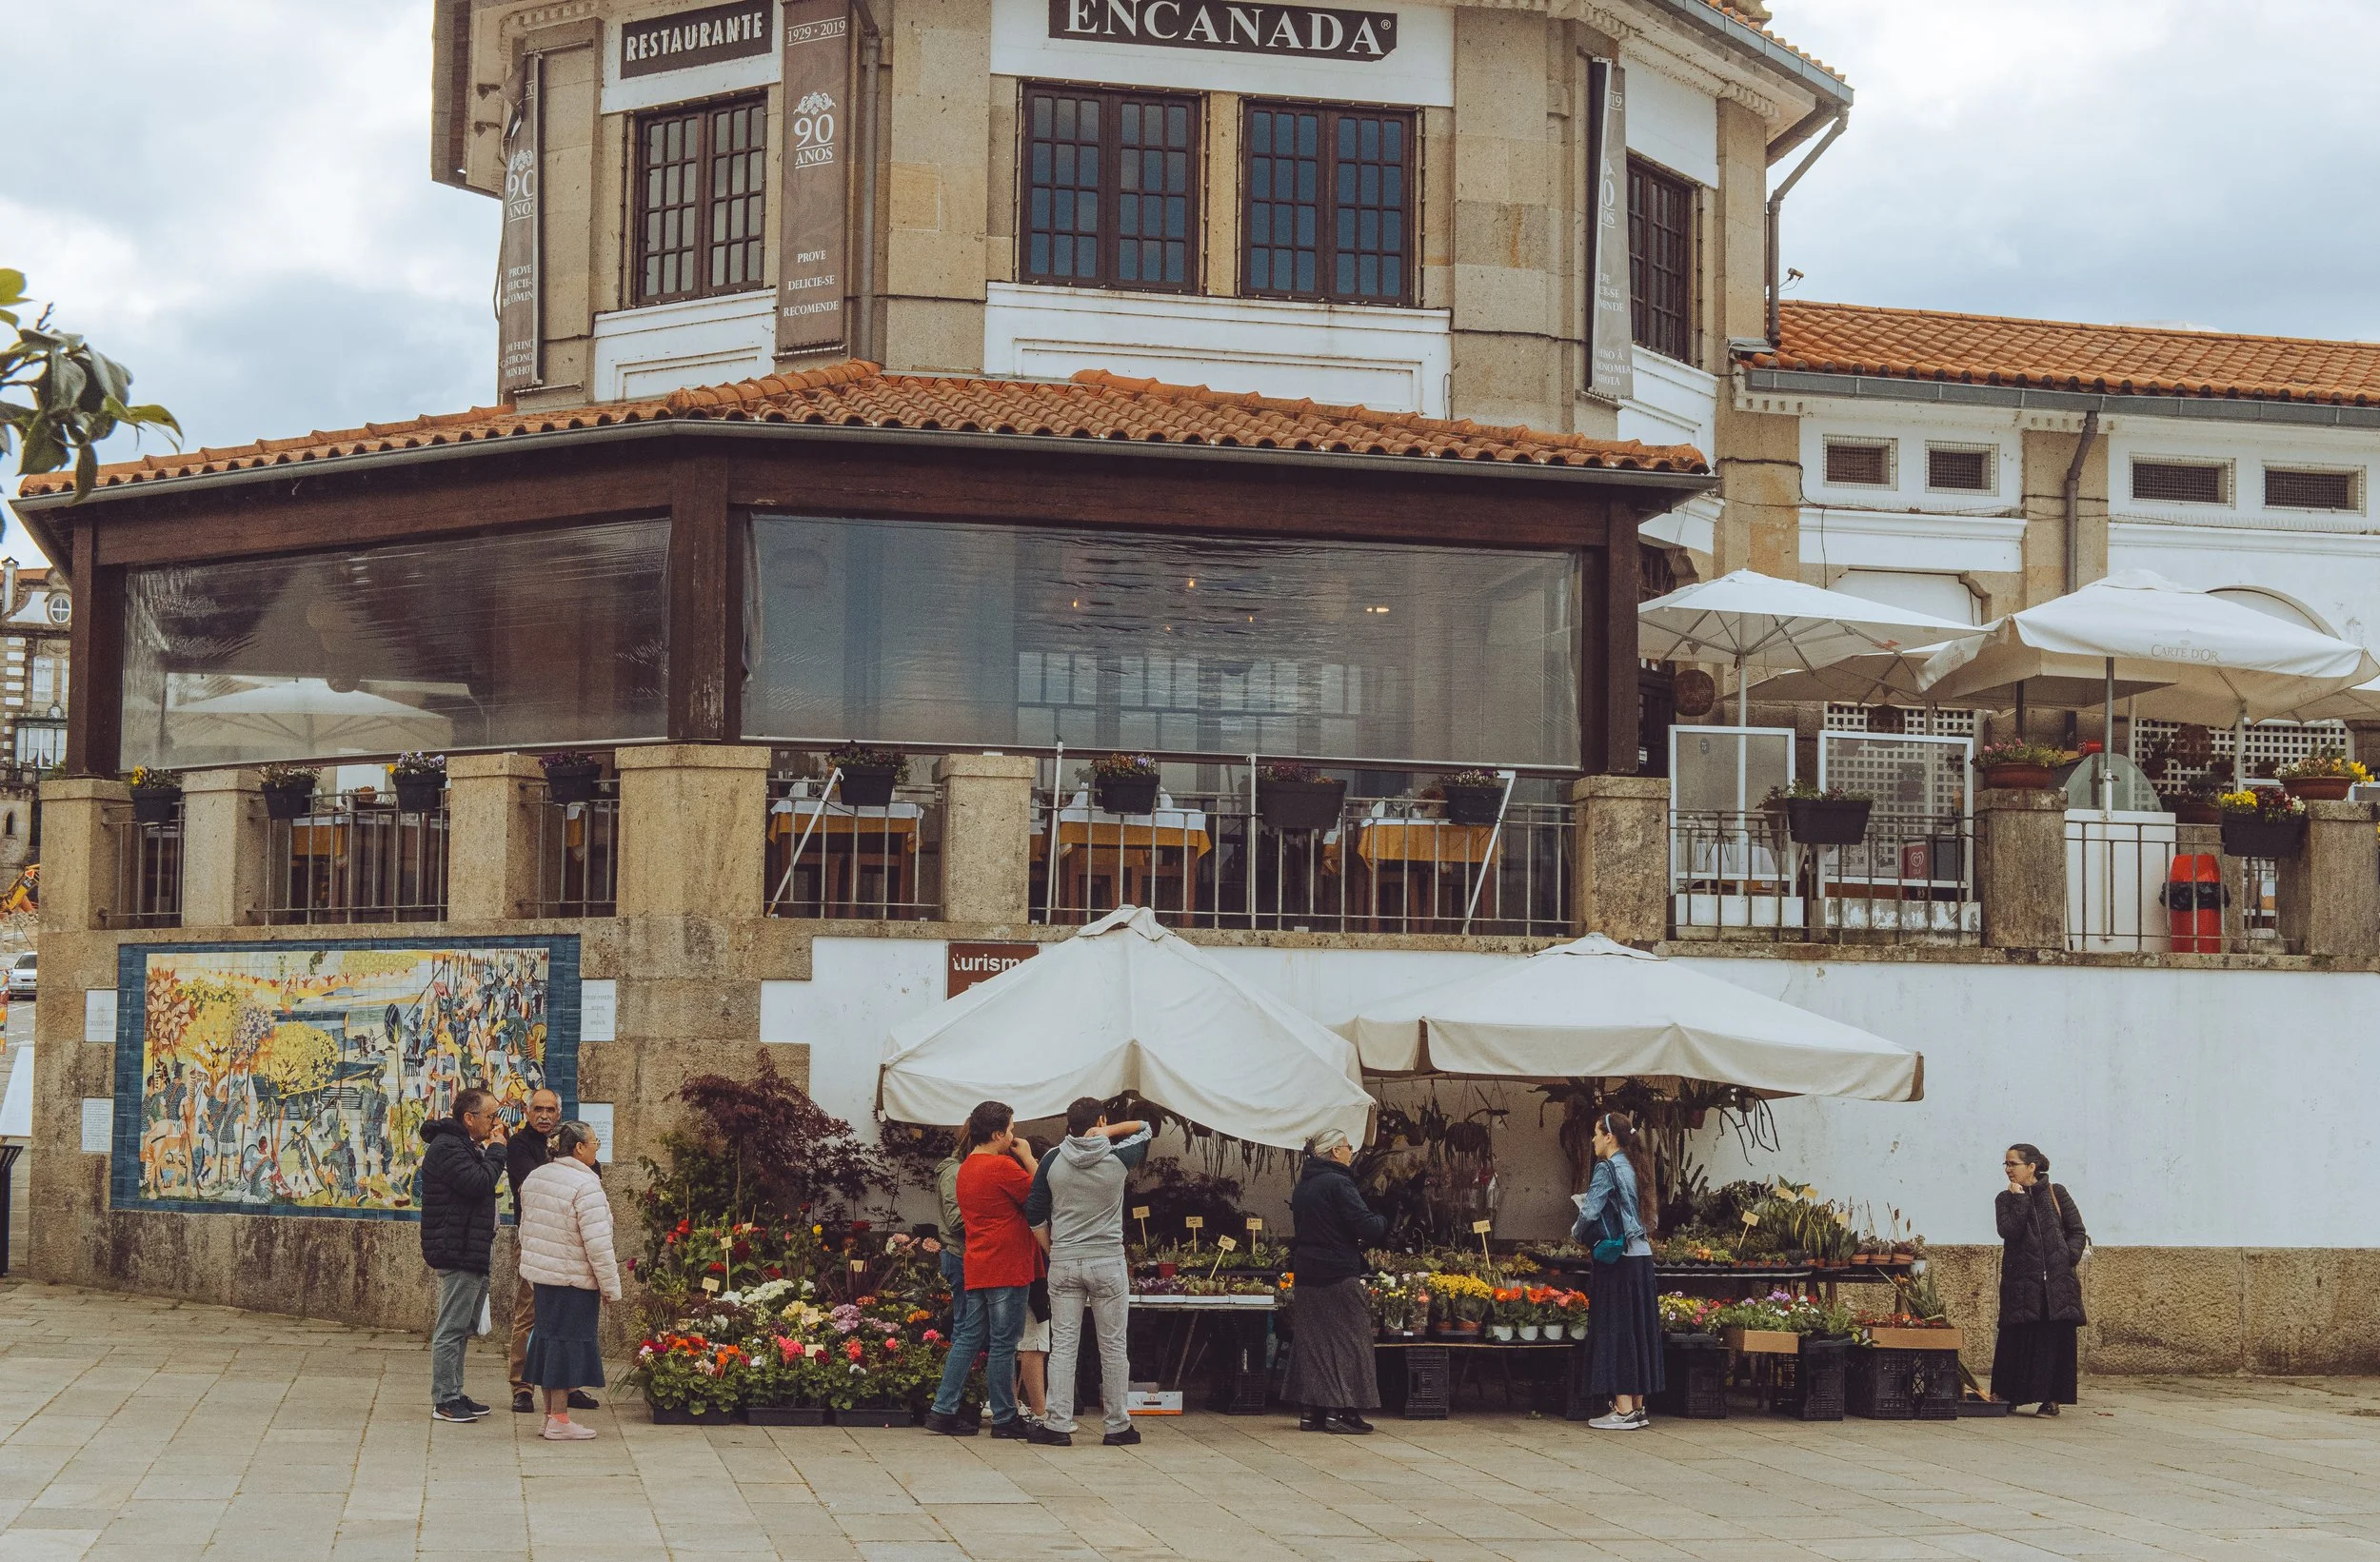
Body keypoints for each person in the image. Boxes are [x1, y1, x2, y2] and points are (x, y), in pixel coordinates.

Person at [1025, 1097, 1152, 1448]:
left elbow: (1034, 1211)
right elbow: (1146, 1128)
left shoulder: (1051, 1160)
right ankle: (1117, 1426)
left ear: (1067, 1124)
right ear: (1099, 1119)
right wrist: (1108, 1130)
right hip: (1108, 1261)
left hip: (1065, 1260)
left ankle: (1057, 1425)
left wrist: (1054, 1250)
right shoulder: (1118, 1157)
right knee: (1113, 1347)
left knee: (1064, 1345)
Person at [924, 1100, 1039, 1438]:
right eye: (1012, 1129)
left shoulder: (965, 1168)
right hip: (1007, 1264)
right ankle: (1005, 1417)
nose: (1014, 1135)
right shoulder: (1002, 1166)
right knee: (1004, 1343)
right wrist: (1029, 1157)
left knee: (968, 1337)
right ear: (997, 1133)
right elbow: (1041, 1193)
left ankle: (942, 1410)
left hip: (977, 1262)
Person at [517, 1121, 622, 1441]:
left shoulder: (537, 1176)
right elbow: (598, 1242)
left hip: (544, 1278)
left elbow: (526, 1229)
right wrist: (610, 1286)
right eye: (594, 1142)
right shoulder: (584, 1185)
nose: (596, 1148)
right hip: (573, 1279)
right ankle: (560, 1418)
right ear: (578, 1147)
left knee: (548, 1342)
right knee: (564, 1346)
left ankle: (551, 1416)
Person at [1284, 1127, 1386, 1434]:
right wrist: (1383, 1219)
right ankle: (1340, 1413)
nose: (1351, 1149)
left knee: (1314, 1344)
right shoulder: (1339, 1184)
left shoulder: (1304, 1186)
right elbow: (1366, 1226)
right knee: (1351, 1341)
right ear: (1334, 1152)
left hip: (1307, 1274)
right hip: (1338, 1273)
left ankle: (1310, 1412)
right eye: (1347, 1145)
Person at [420, 1085, 510, 1423]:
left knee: (463, 1327)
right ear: (469, 1118)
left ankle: (455, 1391)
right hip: (455, 1248)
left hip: (470, 1246)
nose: (495, 1123)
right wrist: (497, 1150)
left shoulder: (464, 1145)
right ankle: (444, 1399)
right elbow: (478, 1183)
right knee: (451, 1327)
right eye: (491, 1116)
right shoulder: (447, 1148)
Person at [1574, 1110, 1661, 1431]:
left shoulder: (1606, 1169)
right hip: (1641, 1258)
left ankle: (1622, 1408)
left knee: (1617, 1328)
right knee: (1638, 1329)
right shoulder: (1637, 1167)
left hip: (1618, 1260)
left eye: (1597, 1134)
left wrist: (1576, 1232)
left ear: (1609, 1136)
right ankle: (1637, 1406)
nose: (1594, 1140)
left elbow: (1591, 1211)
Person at [1993, 1143, 2088, 1416]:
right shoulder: (2005, 1199)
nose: (2008, 1170)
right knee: (2018, 1339)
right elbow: (2008, 1231)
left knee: (2054, 1341)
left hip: (2057, 1285)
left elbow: (2077, 1230)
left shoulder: (2057, 1193)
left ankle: (2052, 1399)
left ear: (2031, 1167)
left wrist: (2066, 1257)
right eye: (2006, 1164)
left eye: (2013, 1164)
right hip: (2021, 1284)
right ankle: (2009, 1395)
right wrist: (2020, 1199)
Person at [506, 1087, 568, 1414]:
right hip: (531, 1236)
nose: (544, 1116)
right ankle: (522, 1386)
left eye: (550, 1110)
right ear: (528, 1112)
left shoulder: (567, 1141)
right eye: (538, 1109)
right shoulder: (518, 1145)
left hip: (565, 1237)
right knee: (528, 1312)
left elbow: (593, 1174)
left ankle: (564, 1386)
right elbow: (532, 1182)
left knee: (564, 1313)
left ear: (558, 1113)